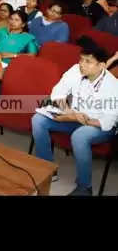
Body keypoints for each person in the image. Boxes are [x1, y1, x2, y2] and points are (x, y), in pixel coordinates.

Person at [31, 36, 118, 196]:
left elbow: (108, 120)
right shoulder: (74, 70)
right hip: (75, 116)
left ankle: (85, 187)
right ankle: (48, 171)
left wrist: (76, 118)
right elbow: (57, 94)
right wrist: (71, 113)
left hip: (99, 125)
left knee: (80, 136)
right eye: (81, 60)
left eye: (88, 62)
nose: (82, 64)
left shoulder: (112, 85)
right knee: (38, 120)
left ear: (102, 65)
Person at [0, 9, 39, 82]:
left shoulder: (28, 38)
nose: (13, 22)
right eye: (11, 19)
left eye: (17, 20)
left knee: (0, 76)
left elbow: (32, 55)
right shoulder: (1, 31)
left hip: (12, 65)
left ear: (23, 24)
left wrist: (13, 55)